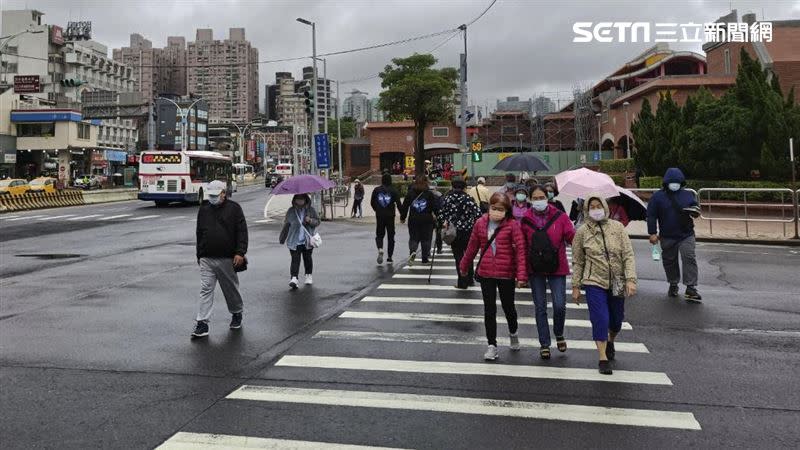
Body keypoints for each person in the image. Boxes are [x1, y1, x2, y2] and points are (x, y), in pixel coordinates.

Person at [571, 195, 637, 374]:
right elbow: (577, 261)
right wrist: (576, 285)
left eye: (598, 206)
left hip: (617, 280)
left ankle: (611, 340)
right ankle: (602, 357)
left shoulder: (618, 228)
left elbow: (628, 255)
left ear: (605, 207)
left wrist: (630, 279)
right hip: (594, 281)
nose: (595, 209)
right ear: (586, 210)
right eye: (591, 207)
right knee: (600, 318)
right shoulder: (582, 232)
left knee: (616, 320)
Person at [460, 192, 528, 361]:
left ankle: (513, 333)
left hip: (506, 274)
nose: (496, 211)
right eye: (494, 208)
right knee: (489, 310)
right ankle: (492, 345)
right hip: (486, 273)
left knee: (508, 307)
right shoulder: (480, 223)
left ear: (507, 210)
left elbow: (520, 251)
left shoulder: (512, 225)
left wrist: (521, 276)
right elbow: (472, 247)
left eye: (500, 209)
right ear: (489, 207)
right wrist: (463, 266)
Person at [521, 185, 575, 359]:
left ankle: (559, 333)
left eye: (541, 197)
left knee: (560, 305)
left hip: (557, 267)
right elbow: (521, 247)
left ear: (547, 197)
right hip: (535, 268)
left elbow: (572, 238)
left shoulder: (560, 217)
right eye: (535, 198)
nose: (539, 200)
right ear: (530, 199)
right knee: (540, 307)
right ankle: (544, 343)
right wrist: (520, 274)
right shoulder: (525, 219)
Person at [192, 180, 248, 338]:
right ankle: (202, 323)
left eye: (216, 195)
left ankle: (237, 312)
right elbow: (199, 232)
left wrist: (240, 252)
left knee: (230, 289)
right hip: (207, 257)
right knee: (206, 289)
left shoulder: (234, 209)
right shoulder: (204, 209)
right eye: (211, 195)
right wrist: (199, 254)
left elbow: (242, 231)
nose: (213, 198)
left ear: (224, 193)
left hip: (227, 258)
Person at [646, 168, 702, 302]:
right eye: (672, 182)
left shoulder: (688, 195)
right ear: (666, 183)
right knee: (670, 261)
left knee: (689, 258)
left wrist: (695, 212)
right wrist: (652, 233)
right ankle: (673, 283)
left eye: (677, 182)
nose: (675, 184)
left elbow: (695, 208)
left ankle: (691, 287)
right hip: (667, 235)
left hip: (686, 234)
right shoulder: (657, 197)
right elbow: (651, 215)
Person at [439, 176, 482, 289]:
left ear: (452, 186)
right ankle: (470, 279)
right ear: (464, 187)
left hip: (454, 232)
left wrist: (447, 221)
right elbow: (478, 214)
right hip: (468, 231)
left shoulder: (448, 199)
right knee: (468, 254)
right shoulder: (468, 199)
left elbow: (441, 215)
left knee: (458, 256)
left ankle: (462, 281)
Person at [282, 193, 320, 289]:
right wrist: (282, 238)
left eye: (301, 199)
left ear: (305, 199)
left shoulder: (311, 210)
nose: (299, 201)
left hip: (307, 240)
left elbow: (317, 222)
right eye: (297, 199)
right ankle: (294, 278)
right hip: (294, 241)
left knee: (307, 259)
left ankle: (308, 275)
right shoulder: (291, 211)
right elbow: (286, 225)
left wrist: (310, 220)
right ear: (294, 200)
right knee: (295, 260)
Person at [400, 176, 439, 265]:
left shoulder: (410, 193)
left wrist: (403, 217)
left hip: (413, 218)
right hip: (427, 219)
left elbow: (405, 206)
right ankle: (424, 258)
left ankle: (413, 251)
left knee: (413, 237)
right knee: (426, 239)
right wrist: (438, 218)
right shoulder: (429, 194)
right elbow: (435, 208)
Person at [371, 173, 402, 265]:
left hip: (380, 215)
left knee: (379, 234)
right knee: (391, 236)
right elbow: (399, 204)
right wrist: (402, 215)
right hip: (390, 216)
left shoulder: (376, 190)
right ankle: (389, 257)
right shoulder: (394, 190)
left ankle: (380, 248)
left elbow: (372, 202)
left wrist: (377, 209)